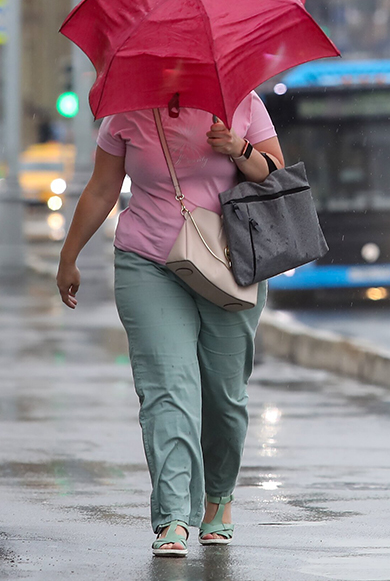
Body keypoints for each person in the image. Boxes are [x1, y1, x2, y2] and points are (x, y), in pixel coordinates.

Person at [55, 91, 284, 557]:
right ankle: (174, 517)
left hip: (231, 262)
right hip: (149, 263)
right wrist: (69, 254)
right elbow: (102, 187)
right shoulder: (127, 112)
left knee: (224, 397)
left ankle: (218, 499)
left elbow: (276, 176)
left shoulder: (243, 102)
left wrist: (238, 149)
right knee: (167, 389)